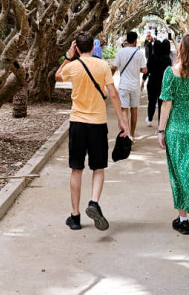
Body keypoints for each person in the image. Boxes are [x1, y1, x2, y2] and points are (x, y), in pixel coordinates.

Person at [55, 33, 129, 232]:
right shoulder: (103, 66)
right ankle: (94, 202)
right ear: (92, 48)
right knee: (98, 167)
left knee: (76, 168)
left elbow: (57, 75)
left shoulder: (72, 66)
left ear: (77, 48)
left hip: (78, 123)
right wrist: (123, 121)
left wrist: (69, 56)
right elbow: (112, 93)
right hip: (98, 123)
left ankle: (75, 216)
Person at [157, 34, 189, 240]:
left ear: (180, 49)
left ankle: (183, 220)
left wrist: (161, 130)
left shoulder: (170, 73)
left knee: (177, 173)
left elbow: (166, 103)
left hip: (176, 130)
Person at [112, 30, 147, 137]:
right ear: (136, 41)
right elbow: (145, 70)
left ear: (127, 40)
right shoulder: (139, 53)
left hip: (124, 85)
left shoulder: (121, 52)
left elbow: (114, 67)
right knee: (134, 110)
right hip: (135, 86)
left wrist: (109, 77)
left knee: (124, 109)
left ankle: (126, 134)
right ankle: (132, 134)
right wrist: (137, 69)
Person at [146, 32, 172, 125]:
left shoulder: (152, 58)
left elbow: (147, 70)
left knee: (151, 102)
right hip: (163, 83)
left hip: (152, 82)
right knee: (161, 103)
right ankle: (160, 122)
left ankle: (149, 119)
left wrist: (143, 80)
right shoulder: (167, 59)